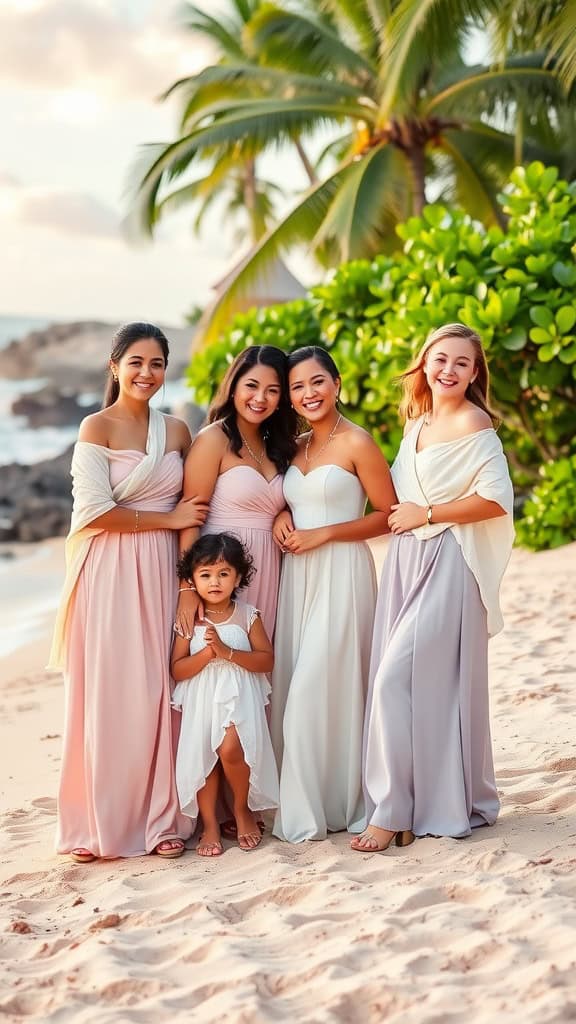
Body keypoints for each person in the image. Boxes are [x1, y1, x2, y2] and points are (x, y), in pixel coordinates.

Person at [352, 322, 514, 854]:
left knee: (391, 681)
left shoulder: (475, 423)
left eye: (461, 363)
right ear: (422, 362)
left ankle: (392, 810)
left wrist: (429, 513)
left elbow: (495, 501)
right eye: (440, 359)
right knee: (416, 684)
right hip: (406, 560)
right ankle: (421, 803)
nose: (448, 370)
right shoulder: (415, 421)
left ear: (474, 373)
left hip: (448, 559)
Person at [49, 322, 208, 863]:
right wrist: (168, 520)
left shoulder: (179, 432)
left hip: (163, 572)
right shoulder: (96, 428)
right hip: (108, 575)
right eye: (136, 362)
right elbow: (95, 512)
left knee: (157, 690)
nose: (147, 373)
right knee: (111, 693)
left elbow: (198, 508)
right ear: (115, 366)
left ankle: (164, 819)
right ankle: (99, 822)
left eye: (157, 364)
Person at [270, 346, 396, 843]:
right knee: (296, 684)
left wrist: (324, 534)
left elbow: (388, 514)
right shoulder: (294, 446)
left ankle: (327, 805)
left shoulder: (358, 442)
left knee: (316, 687)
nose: (308, 394)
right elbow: (285, 499)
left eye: (317, 382)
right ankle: (319, 801)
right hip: (297, 578)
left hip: (342, 572)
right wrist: (282, 516)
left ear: (337, 383)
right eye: (298, 387)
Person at [176, 346, 297, 642]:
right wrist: (188, 588)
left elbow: (291, 494)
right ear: (233, 388)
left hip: (270, 568)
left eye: (272, 390)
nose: (260, 398)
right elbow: (191, 516)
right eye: (252, 386)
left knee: (259, 670)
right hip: (219, 572)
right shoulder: (213, 439)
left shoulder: (279, 446)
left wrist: (285, 511)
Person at [171, 533, 278, 856]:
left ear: (238, 577)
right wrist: (207, 654)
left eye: (223, 573)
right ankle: (211, 824)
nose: (214, 582)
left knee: (232, 748)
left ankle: (243, 809)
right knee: (205, 756)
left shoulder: (247, 615)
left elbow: (265, 660)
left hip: (238, 696)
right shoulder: (190, 620)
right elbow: (177, 669)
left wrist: (228, 652)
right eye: (205, 575)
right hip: (201, 698)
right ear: (192, 579)